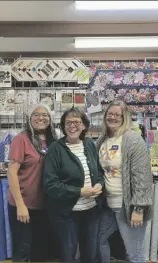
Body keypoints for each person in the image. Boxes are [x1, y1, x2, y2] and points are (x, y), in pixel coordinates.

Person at [43, 107, 105, 263]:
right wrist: (79, 192)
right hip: (67, 214)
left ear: (84, 125)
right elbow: (50, 185)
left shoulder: (90, 144)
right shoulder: (55, 149)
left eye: (76, 122)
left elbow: (99, 173)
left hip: (91, 211)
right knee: (68, 253)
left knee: (90, 253)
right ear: (63, 126)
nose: (72, 126)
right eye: (68, 122)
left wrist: (100, 185)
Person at [96, 100, 153, 263]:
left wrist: (138, 209)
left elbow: (142, 177)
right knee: (98, 239)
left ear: (124, 118)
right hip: (109, 204)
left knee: (134, 253)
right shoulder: (103, 140)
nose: (113, 117)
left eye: (117, 115)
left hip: (127, 206)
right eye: (110, 113)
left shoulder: (132, 140)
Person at [7, 104, 58, 262]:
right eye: (36, 114)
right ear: (30, 119)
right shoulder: (21, 140)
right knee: (23, 249)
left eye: (45, 115)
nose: (41, 118)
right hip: (24, 204)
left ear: (50, 120)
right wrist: (20, 204)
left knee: (42, 251)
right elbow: (12, 172)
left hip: (45, 205)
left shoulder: (54, 141)